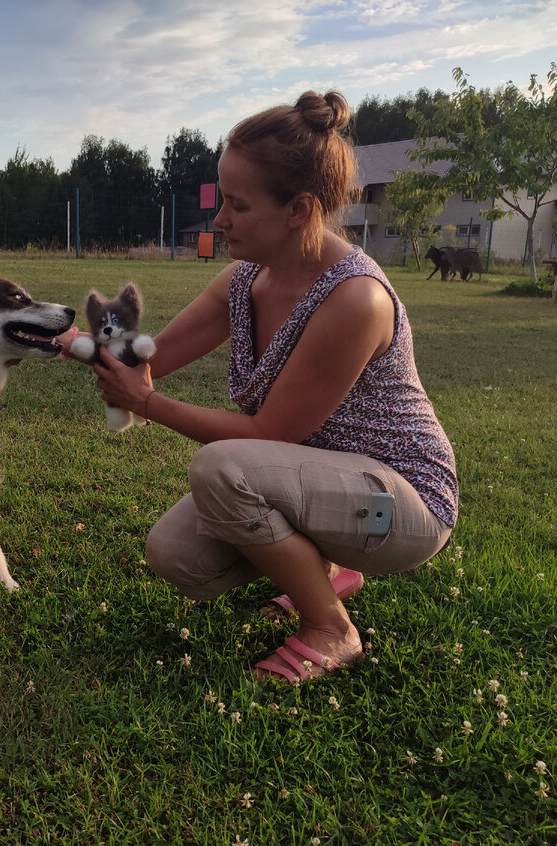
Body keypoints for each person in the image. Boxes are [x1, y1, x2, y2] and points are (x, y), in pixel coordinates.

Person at [59, 91, 457, 683]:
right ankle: (324, 570)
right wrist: (68, 339)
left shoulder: (355, 299)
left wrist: (146, 404)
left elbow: (267, 433)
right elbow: (150, 359)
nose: (220, 220)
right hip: (317, 480)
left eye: (238, 206)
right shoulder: (245, 281)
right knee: (177, 556)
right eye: (224, 200)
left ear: (298, 209)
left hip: (401, 503)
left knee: (223, 469)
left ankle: (331, 628)